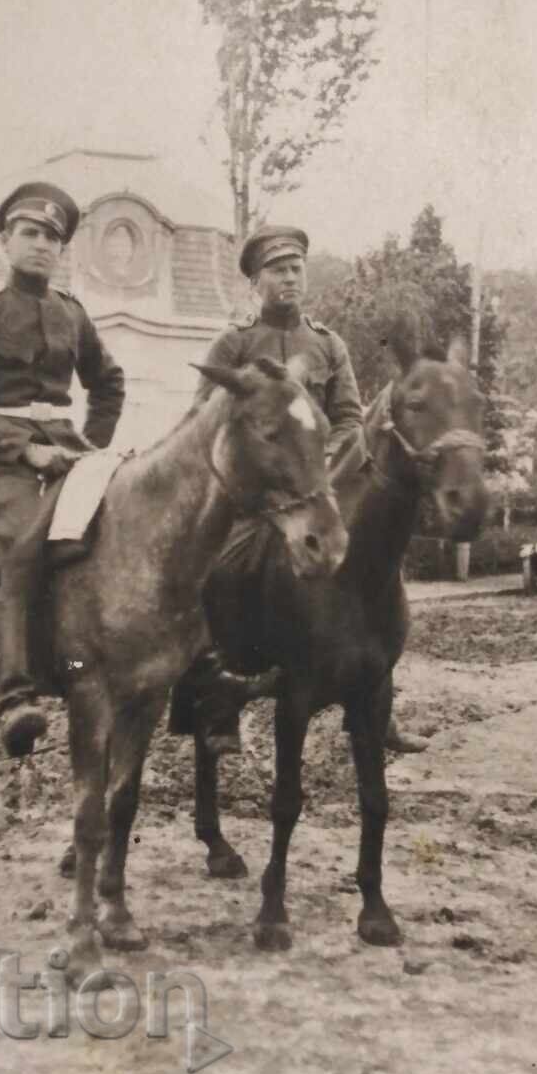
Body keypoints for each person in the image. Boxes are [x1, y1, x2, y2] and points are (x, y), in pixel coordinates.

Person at [185, 224, 428, 755]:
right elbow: (202, 420)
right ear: (255, 281)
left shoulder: (326, 343)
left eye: (296, 268)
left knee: (377, 568)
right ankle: (220, 697)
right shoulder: (235, 342)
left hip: (321, 484)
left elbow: (348, 416)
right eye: (277, 270)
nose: (290, 278)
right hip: (254, 494)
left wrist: (322, 460)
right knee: (219, 568)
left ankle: (376, 701)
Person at [0, 182, 125, 756]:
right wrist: (24, 451)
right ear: (6, 241)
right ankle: (16, 693)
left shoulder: (71, 312)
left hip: (67, 448)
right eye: (31, 233)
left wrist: (93, 443)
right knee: (24, 541)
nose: (43, 246)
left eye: (53, 238)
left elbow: (108, 382)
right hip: (0, 460)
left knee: (132, 517)